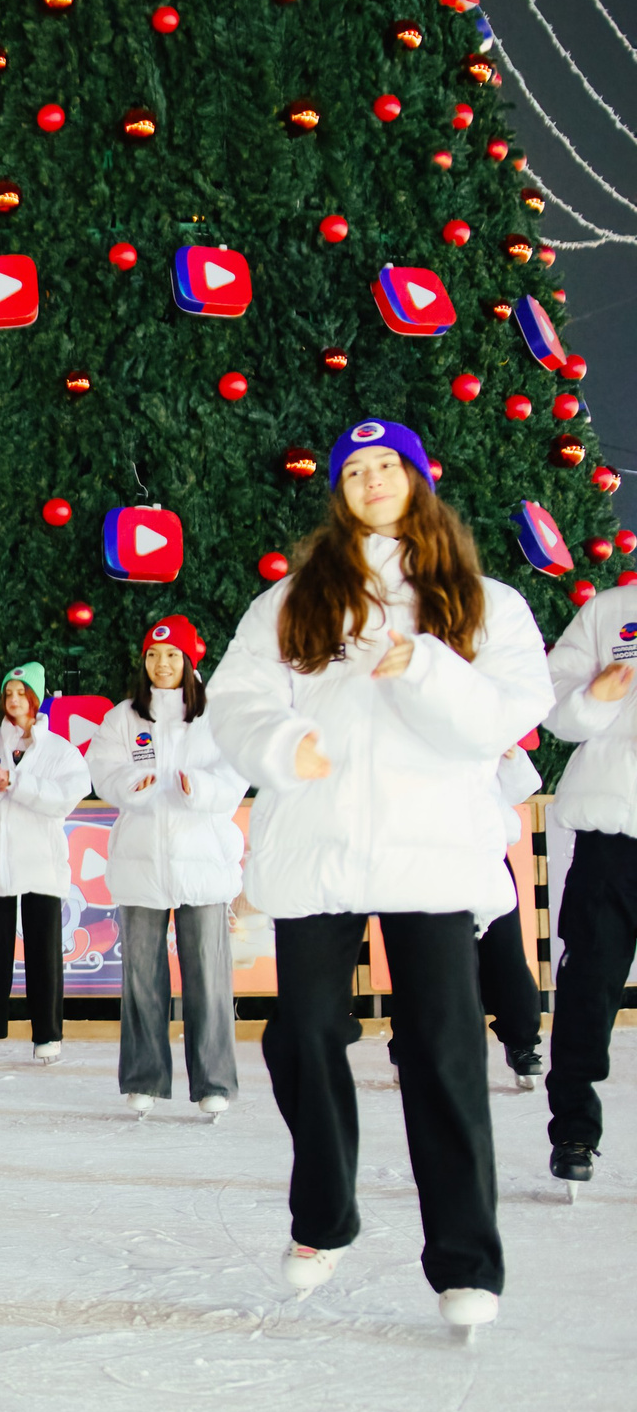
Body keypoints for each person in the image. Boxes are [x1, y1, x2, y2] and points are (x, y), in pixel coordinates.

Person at [207, 420, 548, 1330]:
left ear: (417, 478)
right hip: (316, 846)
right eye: (354, 470)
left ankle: (466, 1261)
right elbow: (237, 698)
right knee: (303, 1034)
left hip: (430, 851)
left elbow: (509, 713)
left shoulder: (485, 600)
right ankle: (324, 1213)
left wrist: (424, 665)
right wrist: (285, 744)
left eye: (386, 464)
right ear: (338, 490)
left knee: (441, 1050)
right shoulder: (292, 600)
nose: (370, 480)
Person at [86, 616, 248, 1117]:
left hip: (202, 862)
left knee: (209, 977)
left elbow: (235, 773)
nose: (162, 665)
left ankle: (215, 1082)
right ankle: (145, 1079)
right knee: (141, 977)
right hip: (141, 862)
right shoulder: (122, 718)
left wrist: (198, 788)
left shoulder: (215, 716)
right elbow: (103, 769)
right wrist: (126, 788)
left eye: (172, 655)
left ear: (189, 660)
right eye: (154, 656)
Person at [532, 575, 637, 1189]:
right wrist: (595, 696)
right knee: (587, 991)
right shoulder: (611, 613)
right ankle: (574, 1131)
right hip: (611, 833)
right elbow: (553, 709)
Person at [0, 663, 91, 1065]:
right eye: (8, 692)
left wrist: (20, 784)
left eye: (21, 692)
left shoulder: (59, 750)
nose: (14, 700)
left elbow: (68, 796)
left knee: (45, 951)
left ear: (36, 697)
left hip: (40, 864)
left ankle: (47, 1035)